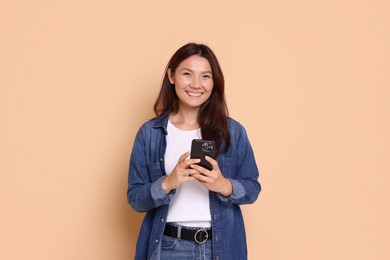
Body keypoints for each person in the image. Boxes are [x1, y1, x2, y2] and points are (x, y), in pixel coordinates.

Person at [127, 43, 261, 260]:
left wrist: (223, 185)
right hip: (168, 248)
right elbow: (135, 199)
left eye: (205, 76)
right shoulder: (150, 133)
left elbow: (253, 188)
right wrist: (168, 182)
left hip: (219, 248)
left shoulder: (233, 132)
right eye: (187, 74)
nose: (196, 84)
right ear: (171, 76)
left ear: (214, 81)